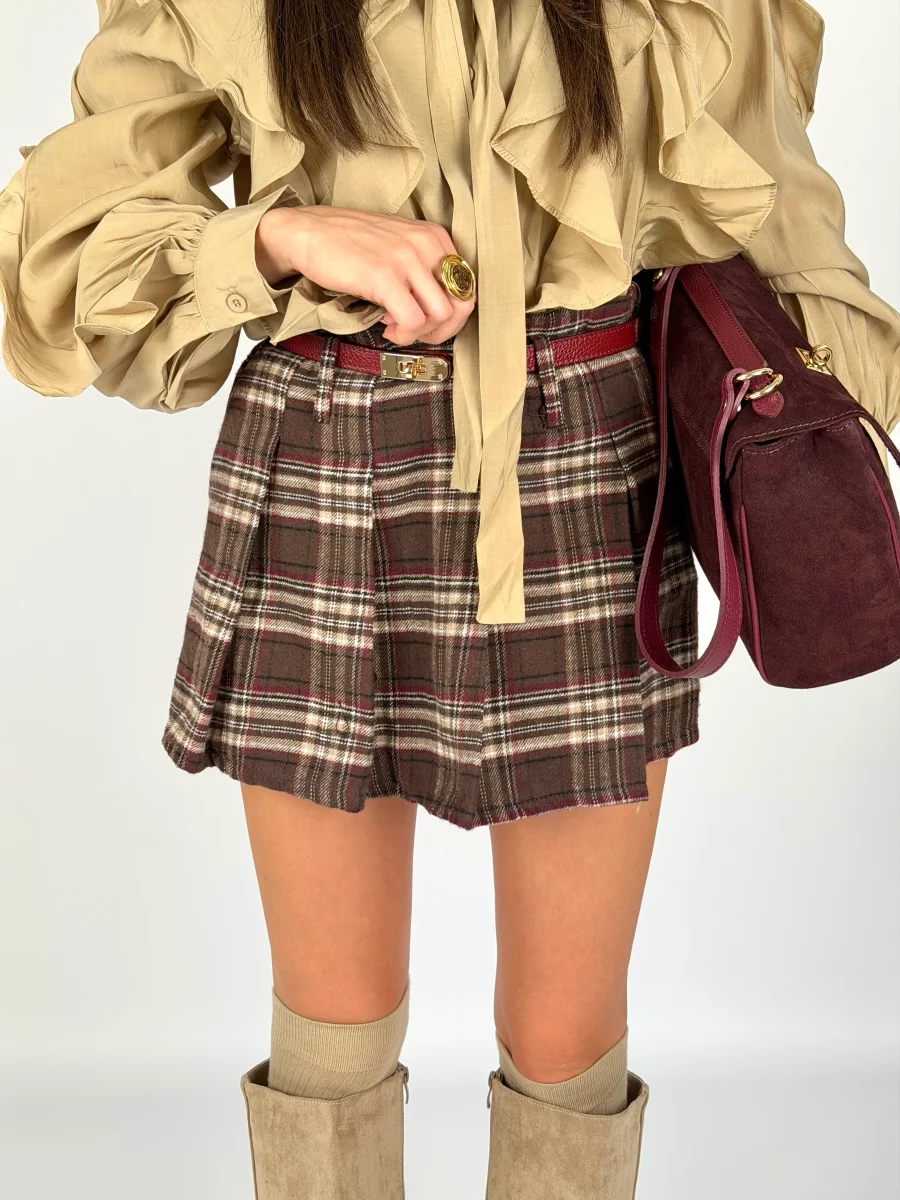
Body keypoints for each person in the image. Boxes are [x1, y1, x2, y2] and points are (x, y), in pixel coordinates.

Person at [1, 0, 897, 1195]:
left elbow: (788, 228)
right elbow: (69, 246)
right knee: (332, 1034)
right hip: (326, 456)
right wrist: (279, 236)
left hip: (589, 468)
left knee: (566, 1048)